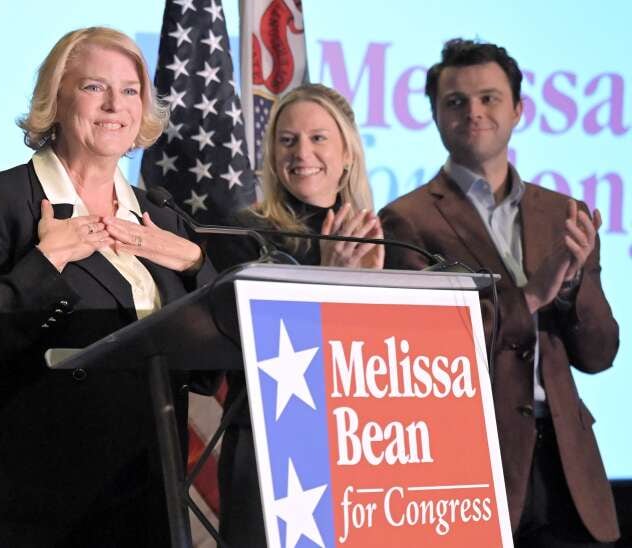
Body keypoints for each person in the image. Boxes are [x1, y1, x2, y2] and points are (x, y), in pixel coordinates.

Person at [0, 27, 213, 547]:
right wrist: (48, 260)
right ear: (55, 100)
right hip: (38, 508)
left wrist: (196, 264)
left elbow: (208, 365)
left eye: (130, 91)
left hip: (147, 502)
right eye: (93, 87)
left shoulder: (161, 217)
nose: (115, 105)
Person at [379, 39, 619, 547]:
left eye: (489, 98)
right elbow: (426, 353)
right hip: (468, 460)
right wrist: (530, 296)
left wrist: (572, 285)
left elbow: (599, 354)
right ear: (435, 117)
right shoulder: (405, 220)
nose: (475, 112)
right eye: (456, 102)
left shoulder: (565, 213)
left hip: (567, 463)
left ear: (518, 110)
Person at [207, 83, 384, 547]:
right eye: (287, 140)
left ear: (347, 153)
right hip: (273, 451)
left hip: (364, 442)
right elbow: (246, 342)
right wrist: (329, 280)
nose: (302, 152)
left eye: (318, 138)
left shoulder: (383, 237)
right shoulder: (244, 236)